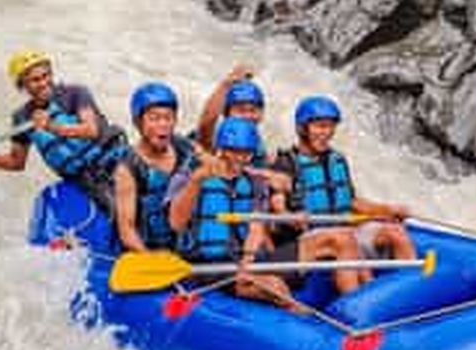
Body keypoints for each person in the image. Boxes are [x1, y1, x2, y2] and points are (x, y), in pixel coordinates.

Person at [0, 50, 127, 212]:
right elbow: (15, 163)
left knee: (128, 210)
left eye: (46, 75)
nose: (44, 83)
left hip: (115, 161)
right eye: (35, 80)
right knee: (112, 211)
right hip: (85, 179)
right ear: (22, 85)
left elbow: (91, 130)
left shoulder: (75, 93)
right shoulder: (22, 118)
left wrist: (51, 126)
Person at [274, 95, 415, 288]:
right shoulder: (285, 164)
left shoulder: (337, 160)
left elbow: (352, 202)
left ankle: (409, 290)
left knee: (395, 232)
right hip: (313, 237)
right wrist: (290, 217)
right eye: (320, 126)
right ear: (302, 129)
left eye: (331, 127)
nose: (327, 133)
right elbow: (277, 208)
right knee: (345, 240)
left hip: (345, 229)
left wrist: (388, 210)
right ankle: (361, 299)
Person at [168, 116, 301, 310]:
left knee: (275, 283)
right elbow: (176, 223)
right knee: (274, 286)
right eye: (234, 152)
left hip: (237, 262)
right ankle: (298, 317)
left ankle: (300, 318)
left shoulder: (253, 182)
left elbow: (255, 228)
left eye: (246, 153)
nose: (241, 158)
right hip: (202, 265)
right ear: (221, 149)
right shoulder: (190, 176)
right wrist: (196, 181)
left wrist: (246, 262)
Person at [114, 83, 196, 252]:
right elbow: (127, 230)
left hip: (186, 249)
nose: (163, 124)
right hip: (148, 249)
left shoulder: (184, 148)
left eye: (168, 118)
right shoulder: (127, 167)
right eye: (154, 118)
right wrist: (151, 259)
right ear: (138, 123)